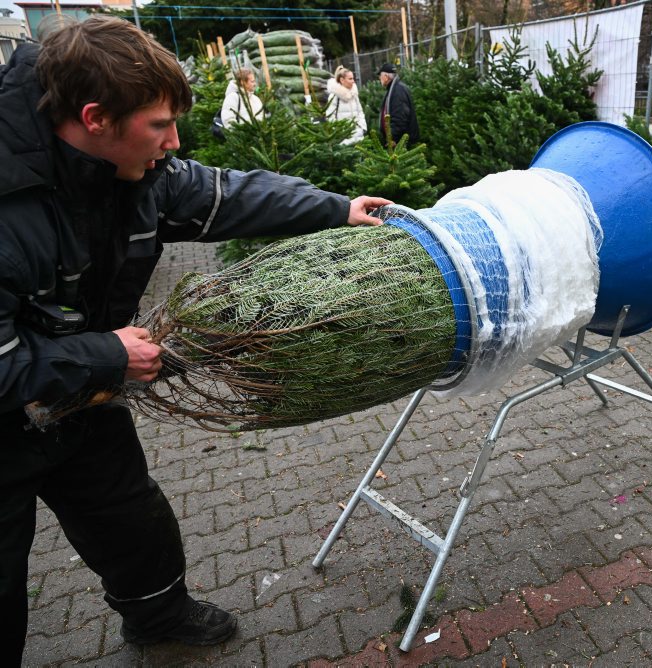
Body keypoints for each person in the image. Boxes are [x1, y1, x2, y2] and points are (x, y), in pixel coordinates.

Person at [0, 15, 391, 663]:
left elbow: (224, 194)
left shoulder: (131, 172)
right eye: (159, 127)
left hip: (78, 398)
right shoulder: (11, 205)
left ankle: (158, 618)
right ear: (96, 118)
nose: (175, 143)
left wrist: (335, 208)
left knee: (130, 519)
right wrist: (110, 353)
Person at [377, 62, 420, 145]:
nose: (379, 78)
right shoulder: (394, 89)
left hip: (400, 143)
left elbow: (400, 117)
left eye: (380, 76)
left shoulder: (398, 91)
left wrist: (393, 138)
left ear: (386, 77)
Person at [326, 65, 367, 144]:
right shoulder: (334, 96)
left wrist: (362, 127)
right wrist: (338, 132)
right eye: (350, 79)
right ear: (342, 80)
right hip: (343, 138)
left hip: (358, 135)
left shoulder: (354, 94)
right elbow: (330, 116)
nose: (353, 81)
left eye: (353, 78)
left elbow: (360, 112)